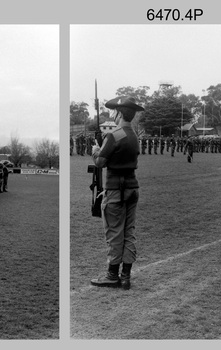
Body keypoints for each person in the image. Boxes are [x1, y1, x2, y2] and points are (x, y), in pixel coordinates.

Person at [91, 96, 143, 290]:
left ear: (119, 113)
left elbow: (100, 162)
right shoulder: (133, 135)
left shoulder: (115, 134)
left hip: (115, 190)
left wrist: (96, 150)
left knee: (114, 234)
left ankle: (112, 275)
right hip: (132, 188)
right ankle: (126, 276)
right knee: (129, 233)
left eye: (115, 112)